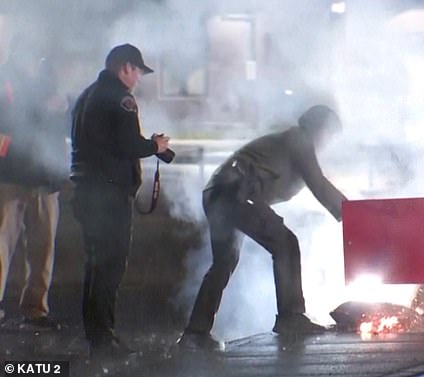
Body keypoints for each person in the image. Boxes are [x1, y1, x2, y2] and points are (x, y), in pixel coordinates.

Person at [178, 105, 347, 350]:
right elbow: (318, 184)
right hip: (236, 192)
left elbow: (313, 181)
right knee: (285, 244)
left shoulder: (292, 142)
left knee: (224, 263)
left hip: (218, 193)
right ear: (318, 128)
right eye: (328, 134)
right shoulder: (299, 138)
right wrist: (352, 214)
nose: (328, 141)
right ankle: (291, 317)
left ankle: (195, 332)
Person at [70, 43, 170, 358]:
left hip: (86, 191)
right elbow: (128, 144)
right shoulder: (122, 99)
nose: (138, 78)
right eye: (137, 71)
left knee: (95, 265)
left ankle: (95, 336)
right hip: (109, 196)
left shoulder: (87, 95)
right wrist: (155, 146)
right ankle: (104, 339)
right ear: (125, 67)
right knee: (110, 267)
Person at [0, 39, 68, 330]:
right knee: (2, 246)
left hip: (43, 178)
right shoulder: (6, 83)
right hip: (12, 176)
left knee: (43, 249)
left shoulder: (48, 82)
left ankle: (36, 309)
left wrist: (61, 108)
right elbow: (11, 123)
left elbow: (60, 126)